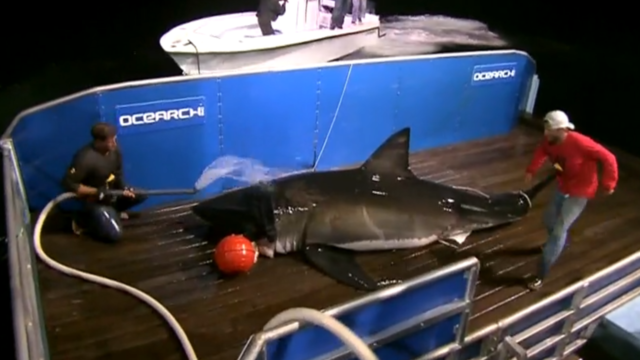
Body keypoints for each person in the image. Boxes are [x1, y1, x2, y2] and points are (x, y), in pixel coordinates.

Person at [524, 110, 618, 290]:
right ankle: (558, 242)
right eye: (545, 129)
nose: (546, 134)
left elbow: (609, 158)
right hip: (563, 185)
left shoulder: (581, 143)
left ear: (562, 130)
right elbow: (542, 151)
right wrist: (531, 169)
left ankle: (540, 275)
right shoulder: (549, 140)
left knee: (559, 229)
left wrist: (609, 183)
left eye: (550, 130)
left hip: (581, 191)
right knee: (549, 220)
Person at [61, 122, 147, 243]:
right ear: (99, 142)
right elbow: (68, 184)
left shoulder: (115, 150)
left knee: (141, 194)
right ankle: (84, 221)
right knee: (115, 235)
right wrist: (96, 192)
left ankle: (113, 213)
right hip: (95, 201)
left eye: (115, 139)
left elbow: (118, 173)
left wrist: (124, 188)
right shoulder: (85, 158)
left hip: (111, 194)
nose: (114, 143)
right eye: (110, 140)